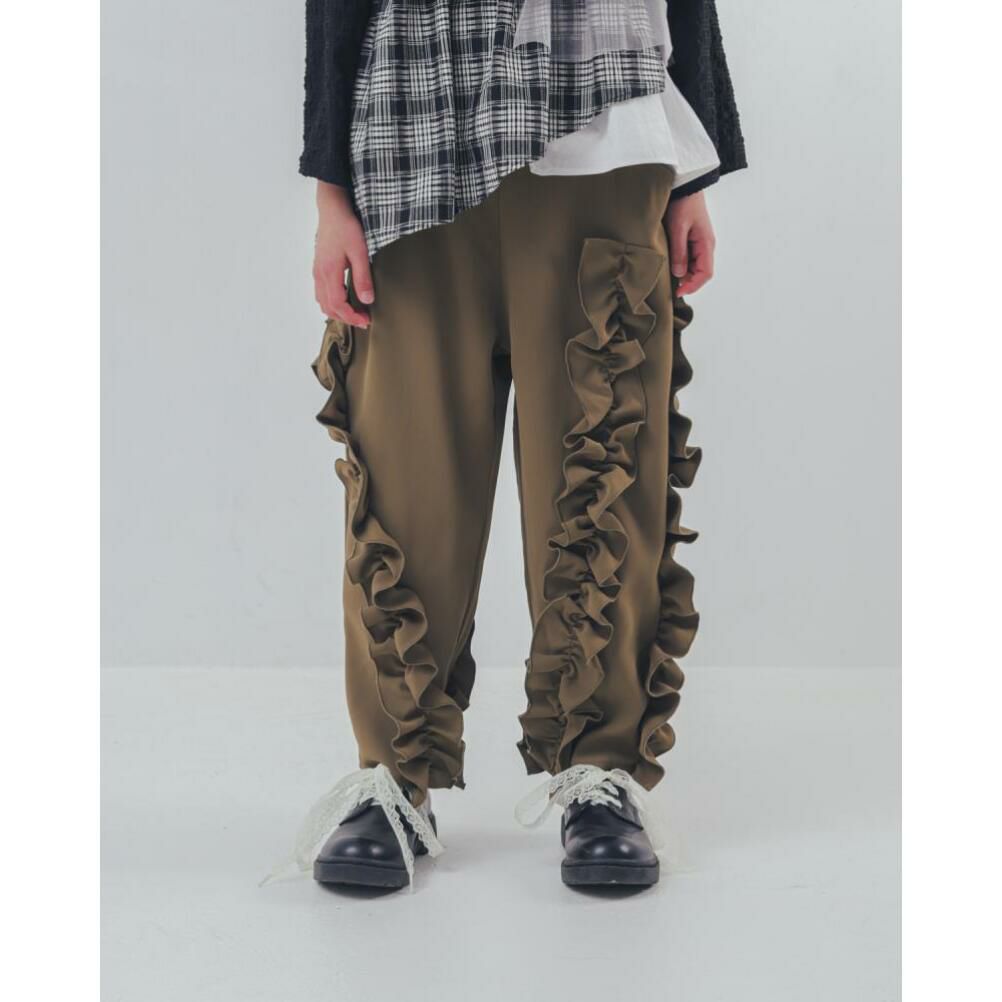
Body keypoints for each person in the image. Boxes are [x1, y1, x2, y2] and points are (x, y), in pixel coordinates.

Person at [291, 0, 745, 891]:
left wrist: (691, 168)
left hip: (604, 124)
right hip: (415, 116)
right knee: (407, 474)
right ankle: (394, 776)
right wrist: (330, 186)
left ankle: (600, 772)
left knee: (602, 462)